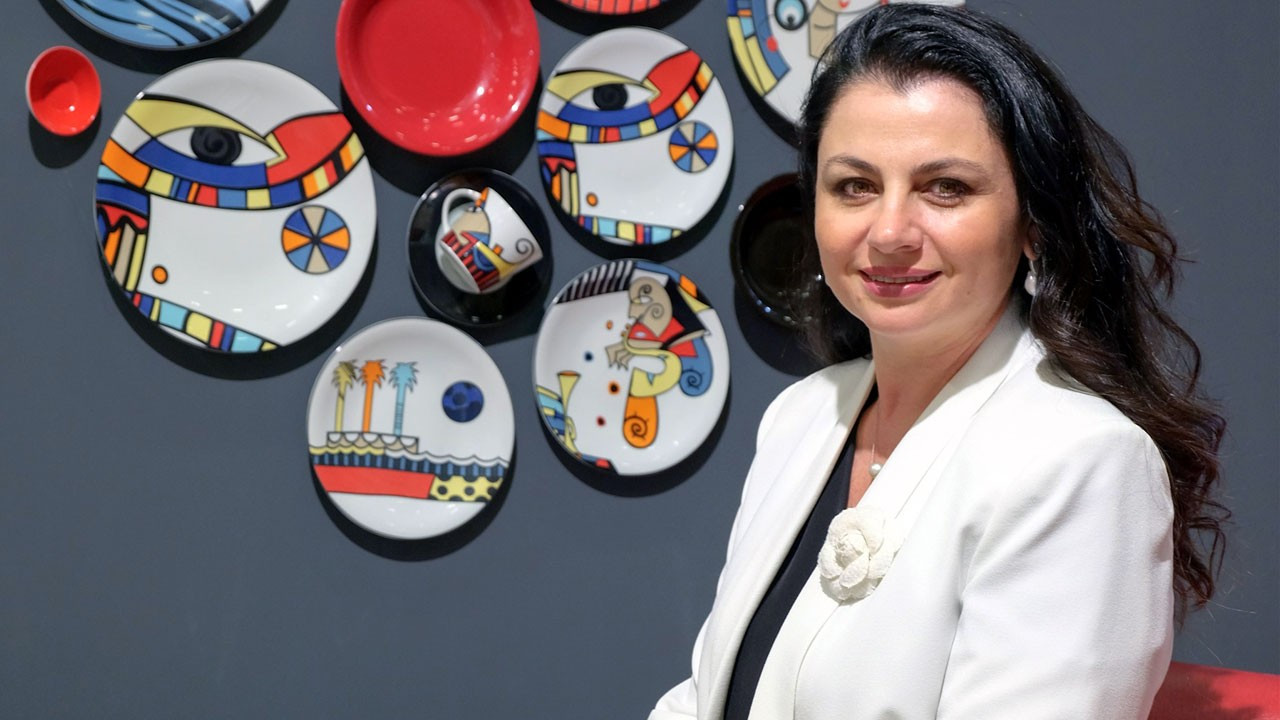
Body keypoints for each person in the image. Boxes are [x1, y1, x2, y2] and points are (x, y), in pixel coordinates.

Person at [649, 5, 1226, 719]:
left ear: (1033, 224)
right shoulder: (799, 416)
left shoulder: (1083, 462)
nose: (890, 231)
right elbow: (704, 696)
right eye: (855, 186)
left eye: (945, 187)